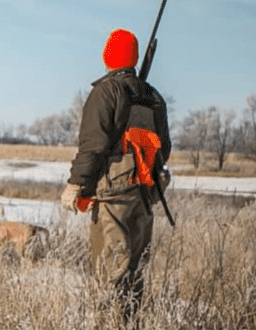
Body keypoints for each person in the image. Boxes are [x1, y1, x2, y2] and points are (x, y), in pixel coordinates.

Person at [59, 28, 171, 323]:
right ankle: (129, 323)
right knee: (134, 270)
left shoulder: (106, 91)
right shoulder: (153, 96)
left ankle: (108, 323)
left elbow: (93, 146)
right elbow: (165, 148)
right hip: (145, 190)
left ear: (108, 56)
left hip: (113, 193)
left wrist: (76, 185)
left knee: (110, 268)